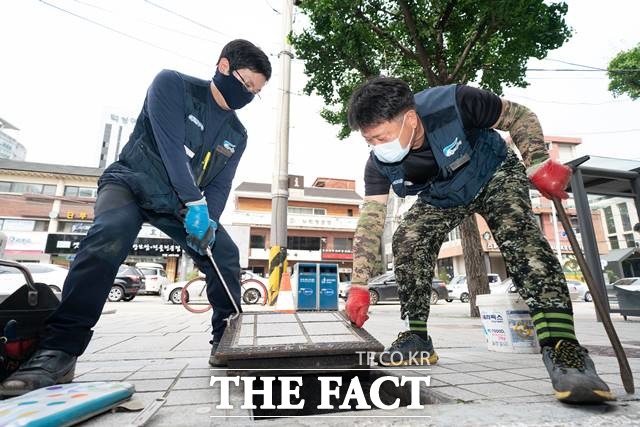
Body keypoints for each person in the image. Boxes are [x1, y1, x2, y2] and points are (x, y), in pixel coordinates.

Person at [0, 39, 271, 396]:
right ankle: (59, 350)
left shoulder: (237, 133)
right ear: (223, 67)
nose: (248, 94)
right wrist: (194, 201)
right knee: (109, 235)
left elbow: (220, 184)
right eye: (246, 84)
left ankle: (227, 342)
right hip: (131, 182)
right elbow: (171, 147)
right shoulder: (172, 84)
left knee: (223, 253)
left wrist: (210, 221)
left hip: (179, 203)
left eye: (256, 91)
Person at [344, 77, 614, 404]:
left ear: (411, 119)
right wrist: (360, 283)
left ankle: (564, 350)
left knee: (522, 239)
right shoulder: (378, 164)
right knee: (408, 238)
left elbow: (520, 115)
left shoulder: (456, 102)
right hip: (444, 195)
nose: (376, 146)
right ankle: (416, 336)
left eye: (381, 136)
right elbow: (371, 222)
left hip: (494, 174)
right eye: (369, 140)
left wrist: (538, 161)